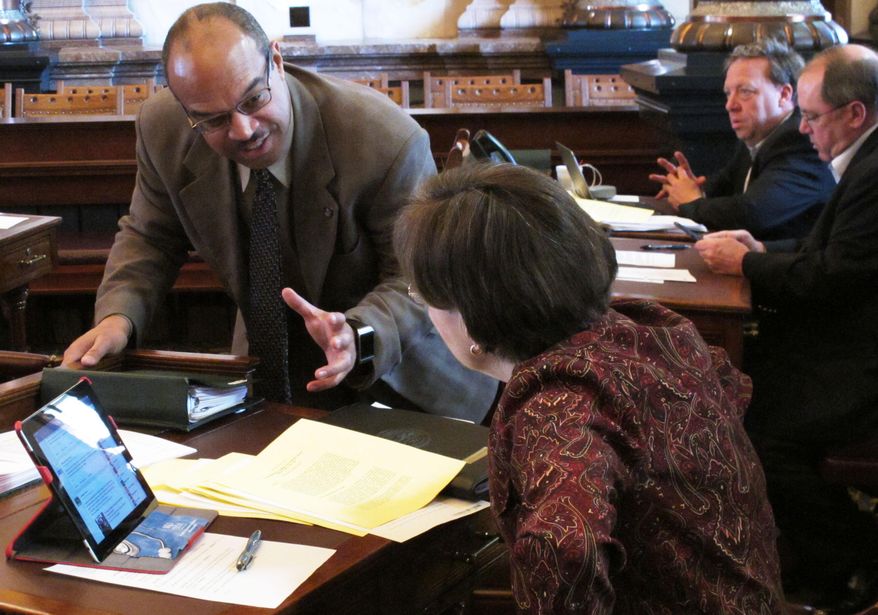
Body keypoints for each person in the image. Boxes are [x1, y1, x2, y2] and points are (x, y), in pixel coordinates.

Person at [61, 3, 497, 421]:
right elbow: (149, 237)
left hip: (401, 382)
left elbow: (417, 278)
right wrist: (119, 318)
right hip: (267, 374)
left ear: (277, 60)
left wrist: (358, 335)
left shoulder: (384, 139)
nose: (243, 130)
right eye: (212, 120)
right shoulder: (162, 130)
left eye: (253, 99)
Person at [395, 162, 783, 613]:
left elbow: (566, 548)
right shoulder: (651, 332)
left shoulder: (559, 407)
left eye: (422, 295)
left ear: (471, 310)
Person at [696, 44, 878, 611]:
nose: (802, 128)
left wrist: (749, 264)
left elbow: (832, 276)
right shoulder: (864, 158)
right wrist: (763, 248)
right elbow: (829, 250)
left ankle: (852, 559)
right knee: (740, 393)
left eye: (812, 116)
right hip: (843, 339)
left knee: (757, 430)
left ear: (854, 113)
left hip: (862, 358)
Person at [650, 39, 835, 241]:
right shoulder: (757, 136)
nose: (730, 105)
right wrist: (691, 188)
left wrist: (691, 202)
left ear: (784, 94)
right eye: (728, 94)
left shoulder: (800, 140)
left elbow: (754, 213)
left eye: (745, 92)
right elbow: (725, 188)